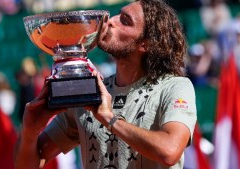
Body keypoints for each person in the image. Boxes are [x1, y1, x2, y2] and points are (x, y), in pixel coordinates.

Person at [14, 0, 197, 169]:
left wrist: (110, 119)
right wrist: (30, 133)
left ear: (146, 43)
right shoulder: (89, 92)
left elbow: (170, 151)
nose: (110, 21)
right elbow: (28, 164)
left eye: (125, 21)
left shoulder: (174, 87)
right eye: (118, 14)